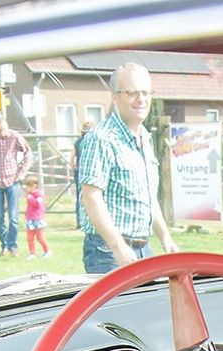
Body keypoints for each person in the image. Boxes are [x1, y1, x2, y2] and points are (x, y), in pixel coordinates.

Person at [76, 62, 179, 273]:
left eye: (146, 92)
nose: (141, 99)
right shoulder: (102, 139)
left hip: (143, 250)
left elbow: (148, 196)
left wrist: (165, 238)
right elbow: (91, 198)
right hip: (108, 254)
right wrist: (118, 246)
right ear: (115, 96)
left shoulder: (144, 137)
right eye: (132, 92)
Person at [0, 112, 31, 257]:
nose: (2, 133)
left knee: (13, 217)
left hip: (12, 181)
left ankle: (13, 246)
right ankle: (4, 245)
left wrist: (22, 172)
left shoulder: (14, 136)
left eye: (3, 129)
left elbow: (28, 153)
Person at [72, 119, 93, 228]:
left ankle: (79, 221)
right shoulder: (93, 141)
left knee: (80, 196)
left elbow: (72, 157)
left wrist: (72, 169)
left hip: (79, 170)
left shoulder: (78, 141)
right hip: (90, 170)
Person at [23, 175, 51, 258]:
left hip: (38, 219)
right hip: (30, 219)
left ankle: (47, 250)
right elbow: (29, 207)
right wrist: (26, 215)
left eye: (28, 186)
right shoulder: (30, 195)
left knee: (40, 237)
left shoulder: (39, 195)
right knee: (29, 238)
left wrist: (31, 198)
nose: (26, 188)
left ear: (34, 185)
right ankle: (32, 253)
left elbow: (38, 204)